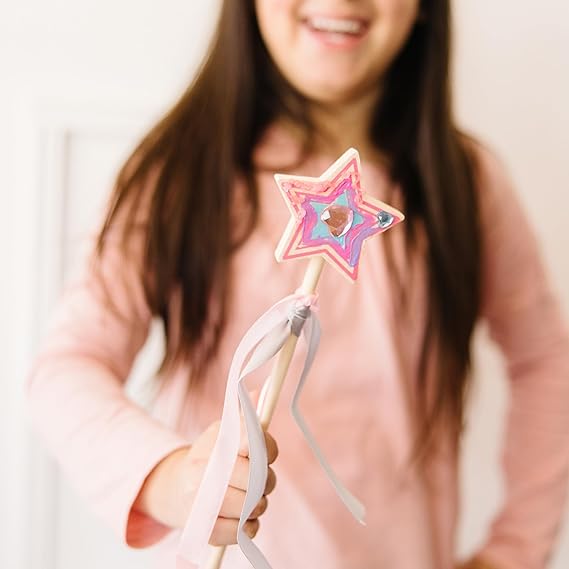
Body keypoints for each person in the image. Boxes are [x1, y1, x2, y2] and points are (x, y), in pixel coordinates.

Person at [26, 1, 569, 568]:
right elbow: (67, 367)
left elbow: (545, 361)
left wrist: (515, 551)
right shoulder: (178, 174)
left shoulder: (467, 186)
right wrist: (173, 480)